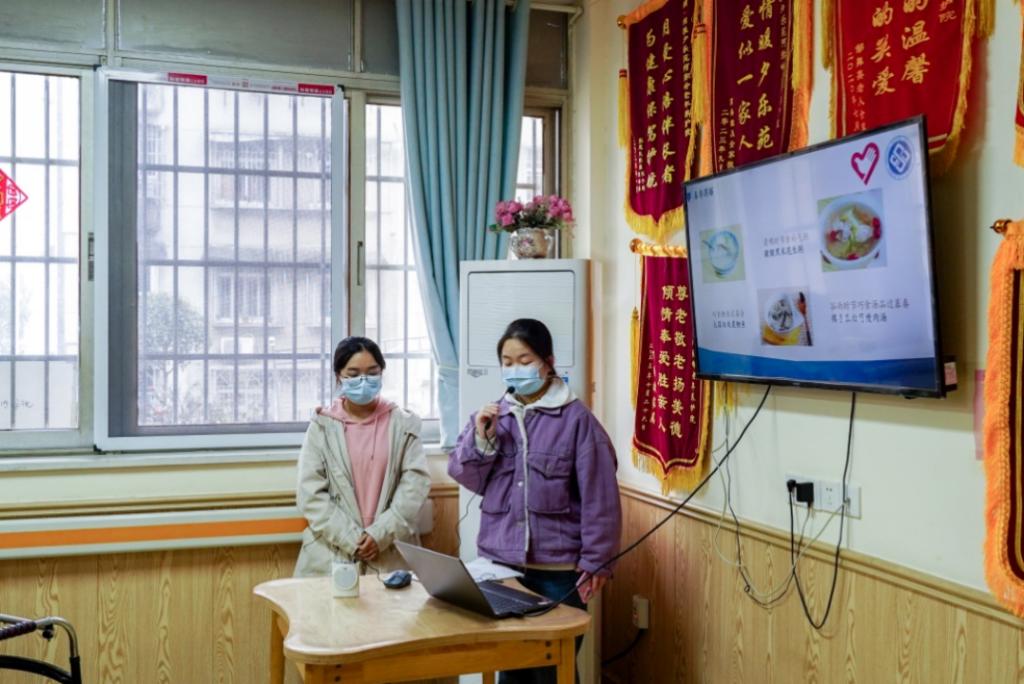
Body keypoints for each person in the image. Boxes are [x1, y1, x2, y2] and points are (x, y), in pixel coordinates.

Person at [449, 318, 622, 684]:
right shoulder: (494, 415)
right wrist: (481, 439)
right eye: (507, 362)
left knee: (552, 669)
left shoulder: (577, 420)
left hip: (558, 571)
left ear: (548, 361)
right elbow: (467, 476)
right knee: (511, 667)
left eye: (524, 360)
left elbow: (600, 497)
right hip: (502, 567)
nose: (515, 369)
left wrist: (597, 562)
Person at [294, 336, 431, 577]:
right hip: (332, 552)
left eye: (372, 372)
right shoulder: (322, 426)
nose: (363, 380)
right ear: (339, 376)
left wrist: (380, 535)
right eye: (354, 374)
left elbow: (415, 486)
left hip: (391, 551)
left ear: (382, 373)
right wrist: (352, 539)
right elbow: (310, 494)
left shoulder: (403, 423)